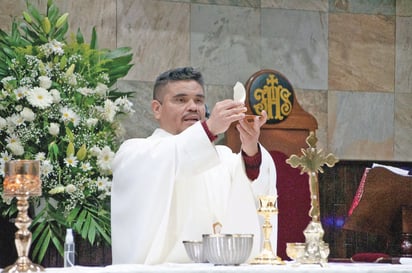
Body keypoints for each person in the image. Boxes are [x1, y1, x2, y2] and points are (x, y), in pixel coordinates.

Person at [111, 67, 277, 264]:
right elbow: (173, 156)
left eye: (198, 100)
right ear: (157, 108)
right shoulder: (134, 153)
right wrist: (210, 129)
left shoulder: (223, 158)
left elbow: (254, 183)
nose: (193, 107)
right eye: (180, 100)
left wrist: (250, 147)